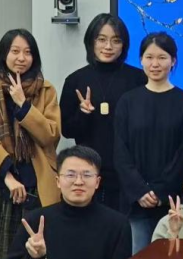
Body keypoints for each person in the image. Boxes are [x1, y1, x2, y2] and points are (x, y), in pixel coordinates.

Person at [0, 29, 61, 259]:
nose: (21, 58)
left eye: (28, 52)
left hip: (36, 186)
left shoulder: (45, 90)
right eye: (15, 51)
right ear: (4, 55)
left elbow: (50, 135)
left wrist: (23, 104)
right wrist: (8, 176)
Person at [4, 146, 132, 259]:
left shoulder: (117, 224)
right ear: (58, 181)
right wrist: (34, 258)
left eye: (87, 175)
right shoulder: (36, 221)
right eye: (70, 175)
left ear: (97, 182)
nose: (78, 182)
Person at [59, 13, 146, 211]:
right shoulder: (75, 80)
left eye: (116, 41)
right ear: (91, 41)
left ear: (124, 45)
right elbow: (67, 131)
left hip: (129, 174)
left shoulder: (138, 79)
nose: (108, 47)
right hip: (89, 174)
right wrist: (83, 114)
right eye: (102, 39)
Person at [114, 32, 183, 252]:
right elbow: (120, 150)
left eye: (162, 57)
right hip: (135, 202)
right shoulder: (127, 101)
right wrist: (139, 190)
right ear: (141, 60)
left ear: (173, 61)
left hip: (173, 202)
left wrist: (161, 191)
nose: (155, 64)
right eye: (149, 57)